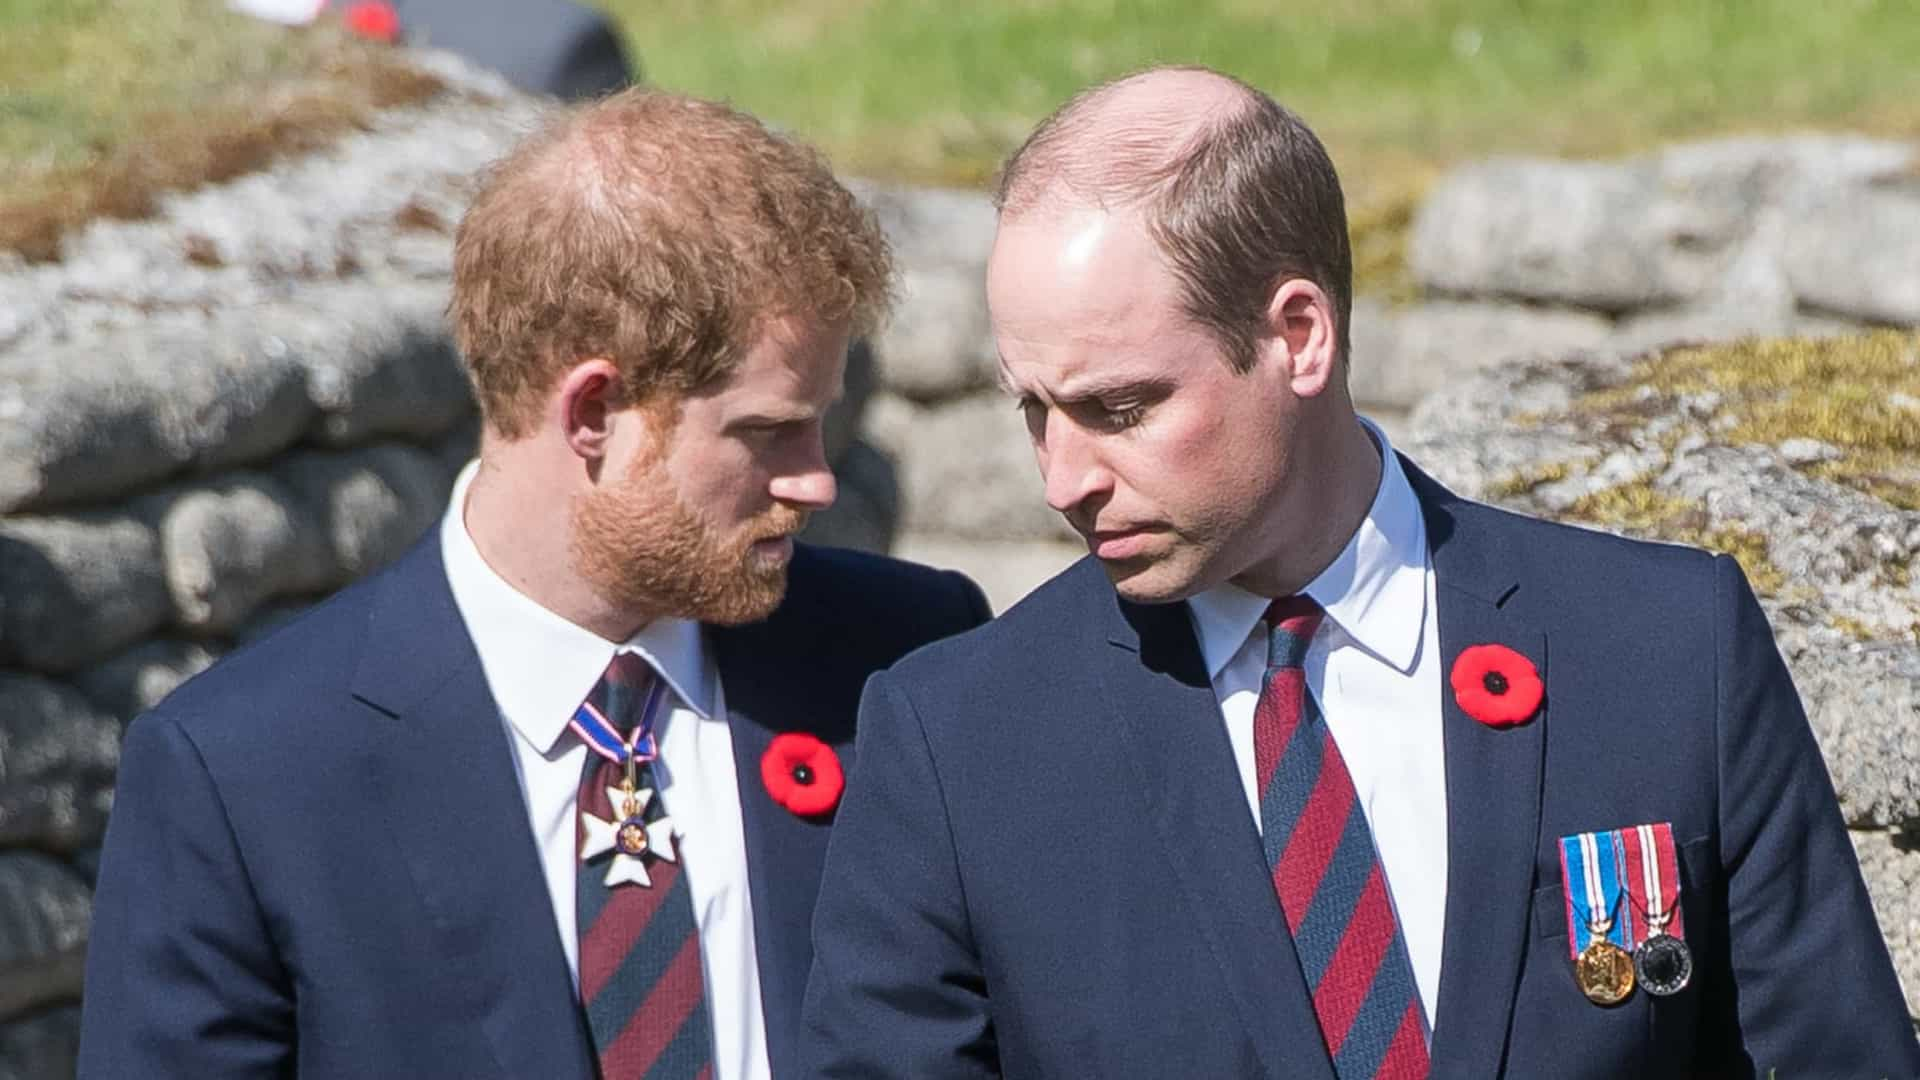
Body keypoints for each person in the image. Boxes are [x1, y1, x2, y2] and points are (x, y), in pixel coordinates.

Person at [800, 66, 1920, 1079]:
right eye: (1034, 412)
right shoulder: (962, 744)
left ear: (1299, 336)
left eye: (1120, 408)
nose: (1062, 477)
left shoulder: (1665, 649)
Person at [79, 88, 989, 1079]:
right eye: (767, 431)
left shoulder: (905, 658)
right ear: (593, 410)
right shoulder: (249, 773)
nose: (816, 479)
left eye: (820, 422)